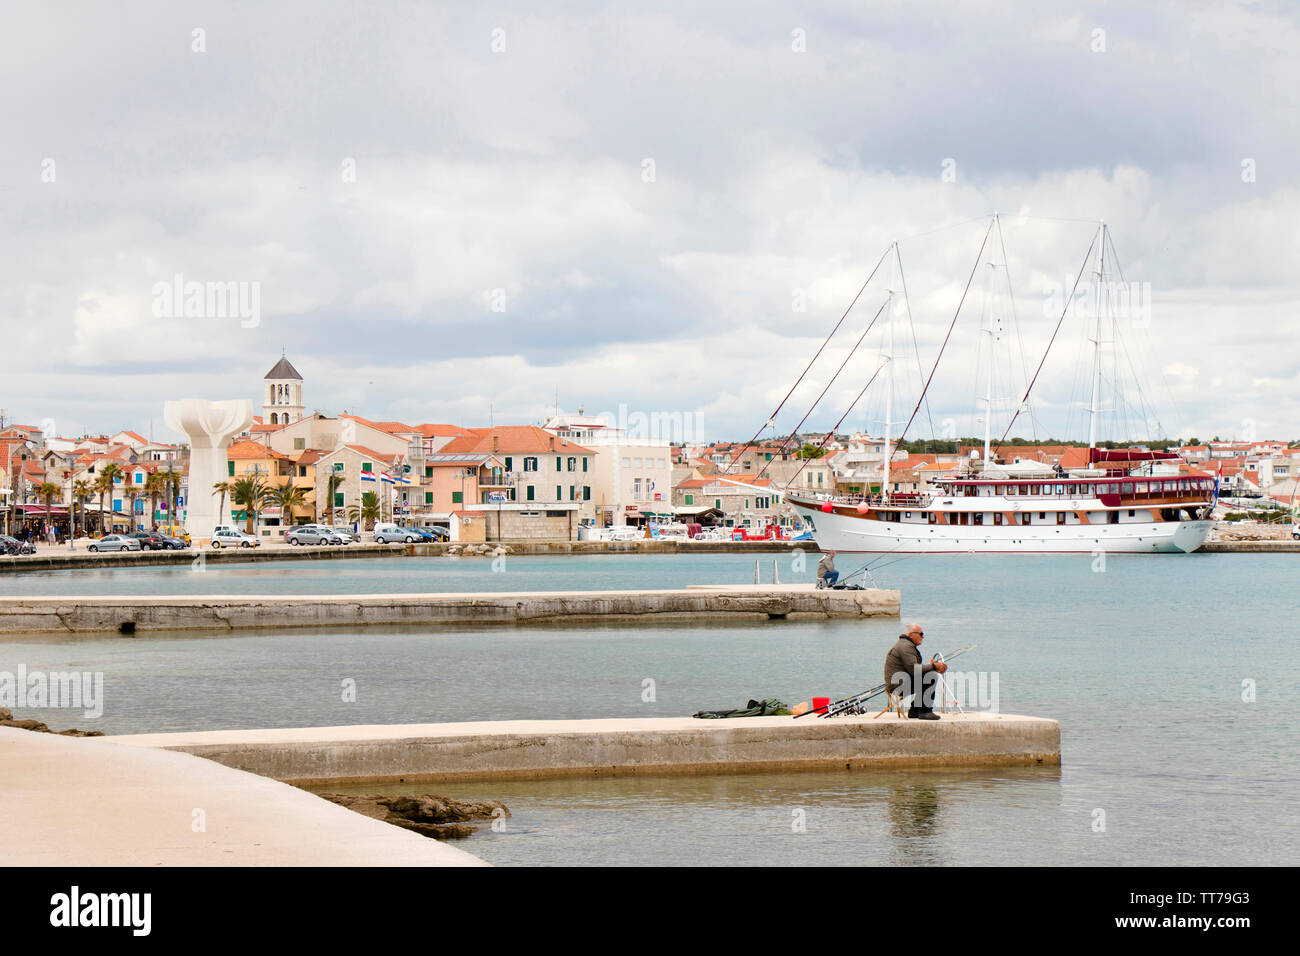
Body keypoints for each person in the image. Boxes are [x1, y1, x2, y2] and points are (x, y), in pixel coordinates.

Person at [884, 622, 948, 720]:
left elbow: (913, 669)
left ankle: (915, 711)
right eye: (921, 634)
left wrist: (932, 667)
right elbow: (914, 669)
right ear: (911, 634)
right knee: (930, 677)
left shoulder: (905, 645)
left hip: (898, 682)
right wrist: (934, 666)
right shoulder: (906, 647)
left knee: (927, 675)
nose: (923, 637)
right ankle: (925, 711)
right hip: (897, 685)